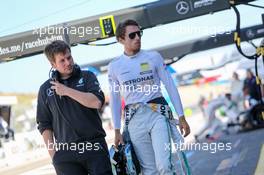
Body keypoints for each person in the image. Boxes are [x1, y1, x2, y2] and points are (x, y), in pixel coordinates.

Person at [108, 19, 190, 174]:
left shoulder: (154, 57)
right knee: (149, 171)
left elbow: (170, 85)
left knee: (164, 166)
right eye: (132, 35)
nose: (137, 38)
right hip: (134, 120)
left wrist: (181, 116)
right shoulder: (114, 66)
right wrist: (117, 130)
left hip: (157, 114)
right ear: (121, 40)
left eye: (139, 33)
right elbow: (115, 99)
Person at [36, 40, 112, 175]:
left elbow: (96, 102)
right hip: (65, 154)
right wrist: (54, 156)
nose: (68, 62)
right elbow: (44, 124)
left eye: (69, 57)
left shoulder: (87, 76)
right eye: (62, 60)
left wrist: (66, 91)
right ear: (53, 64)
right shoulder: (45, 89)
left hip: (94, 146)